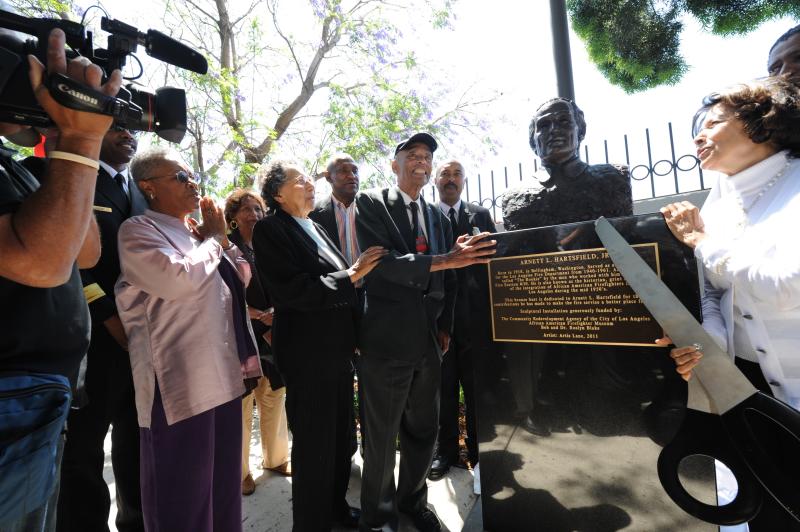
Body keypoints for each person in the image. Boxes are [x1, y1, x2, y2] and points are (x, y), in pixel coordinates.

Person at [659, 77, 800, 531]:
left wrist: (702, 241)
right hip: (747, 392)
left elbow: (789, 283)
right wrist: (708, 347)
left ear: (763, 124)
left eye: (714, 123)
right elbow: (716, 292)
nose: (699, 136)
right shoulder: (718, 200)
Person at [0, 27, 120, 530]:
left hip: (39, 402)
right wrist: (82, 136)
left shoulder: (19, 167)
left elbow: (84, 249)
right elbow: (44, 262)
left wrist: (62, 145)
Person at [355, 133, 495, 532]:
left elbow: (448, 278)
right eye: (412, 155)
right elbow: (381, 266)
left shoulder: (435, 214)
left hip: (429, 342)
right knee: (382, 437)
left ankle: (413, 502)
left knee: (423, 430)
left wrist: (445, 326)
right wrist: (445, 259)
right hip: (386, 340)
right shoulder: (371, 202)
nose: (421, 161)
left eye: (427, 156)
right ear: (395, 164)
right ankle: (378, 517)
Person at [115, 148, 260, 532]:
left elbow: (241, 276)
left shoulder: (196, 231)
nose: (193, 182)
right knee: (182, 496)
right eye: (180, 177)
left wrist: (221, 241)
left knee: (223, 489)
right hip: (177, 383)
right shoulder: (138, 230)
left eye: (192, 174)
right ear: (148, 188)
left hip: (224, 376)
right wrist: (213, 241)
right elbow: (176, 280)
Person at [253, 160, 386, 531]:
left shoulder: (314, 226)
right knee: (315, 446)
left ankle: (335, 512)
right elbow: (293, 291)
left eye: (311, 179)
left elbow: (342, 293)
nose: (311, 184)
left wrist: (356, 336)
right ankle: (311, 523)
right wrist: (353, 273)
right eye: (301, 181)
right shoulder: (270, 230)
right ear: (277, 193)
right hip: (308, 357)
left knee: (341, 440)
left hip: (338, 354)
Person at [500, 98, 633, 436]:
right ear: (533, 140)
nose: (553, 131)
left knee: (608, 407)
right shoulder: (516, 195)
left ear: (580, 130)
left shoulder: (611, 178)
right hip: (545, 319)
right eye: (543, 126)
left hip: (604, 315)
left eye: (562, 122)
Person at [57, 125, 146, 532]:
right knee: (86, 446)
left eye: (132, 127)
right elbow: (76, 260)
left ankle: (137, 519)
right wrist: (109, 318)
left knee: (136, 437)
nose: (127, 134)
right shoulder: (75, 176)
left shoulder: (144, 189)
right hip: (96, 338)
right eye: (116, 126)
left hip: (145, 337)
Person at [429, 159, 497, 480]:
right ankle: (445, 453)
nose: (451, 179)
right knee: (442, 390)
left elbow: (497, 263)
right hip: (439, 320)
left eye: (457, 174)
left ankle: (478, 453)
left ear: (464, 181)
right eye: (445, 174)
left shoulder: (480, 216)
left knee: (474, 388)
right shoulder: (425, 217)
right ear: (435, 180)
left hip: (475, 319)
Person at [223, 188, 291, 497]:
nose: (254, 215)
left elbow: (284, 283)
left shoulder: (269, 246)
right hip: (240, 337)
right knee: (241, 405)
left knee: (274, 396)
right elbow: (222, 296)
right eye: (246, 209)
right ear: (233, 217)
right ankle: (239, 474)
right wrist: (259, 316)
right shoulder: (223, 248)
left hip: (273, 335)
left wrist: (275, 312)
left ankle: (276, 459)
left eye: (258, 209)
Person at [309, 152, 363, 458]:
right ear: (328, 178)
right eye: (343, 171)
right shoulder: (314, 215)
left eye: (354, 170)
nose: (351, 175)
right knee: (340, 381)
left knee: (370, 379)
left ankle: (374, 448)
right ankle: (346, 448)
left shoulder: (373, 209)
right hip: (332, 308)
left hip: (369, 304)